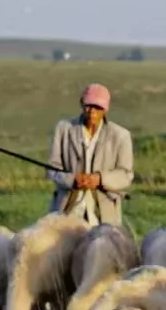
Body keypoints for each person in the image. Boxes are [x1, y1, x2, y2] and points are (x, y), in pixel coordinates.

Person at [47, 83, 134, 226]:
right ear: (82, 104)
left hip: (104, 214)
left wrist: (100, 179)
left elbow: (126, 175)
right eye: (88, 106)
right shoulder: (63, 129)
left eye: (98, 107)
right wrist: (72, 179)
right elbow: (52, 168)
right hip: (67, 209)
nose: (92, 111)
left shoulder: (121, 136)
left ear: (105, 110)